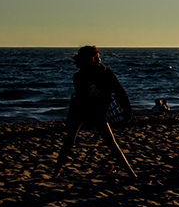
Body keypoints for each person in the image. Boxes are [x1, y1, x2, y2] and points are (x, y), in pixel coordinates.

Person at [53, 46, 136, 179]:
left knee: (110, 144)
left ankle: (132, 174)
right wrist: (126, 109)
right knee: (71, 142)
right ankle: (55, 173)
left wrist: (127, 109)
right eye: (96, 57)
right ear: (89, 59)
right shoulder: (89, 75)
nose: (99, 59)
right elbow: (118, 91)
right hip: (89, 112)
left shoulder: (96, 74)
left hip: (93, 113)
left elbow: (119, 92)